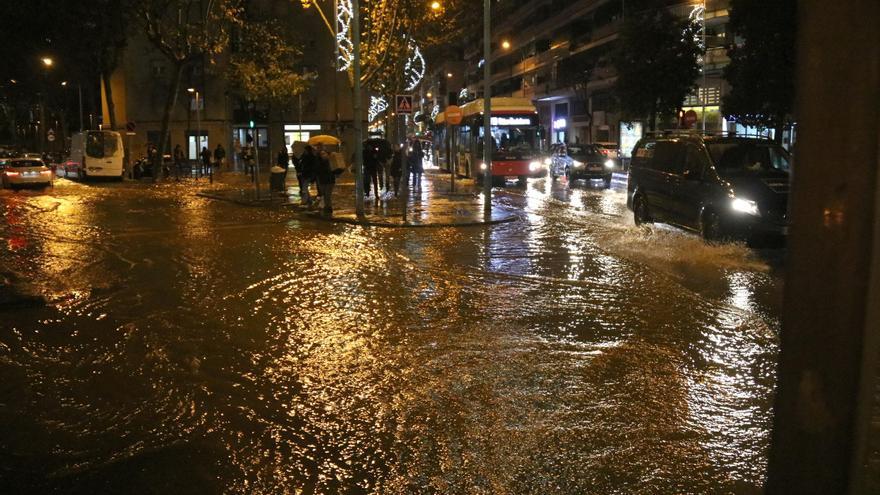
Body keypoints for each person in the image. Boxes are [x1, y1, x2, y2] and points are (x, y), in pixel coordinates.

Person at [314, 145, 343, 215]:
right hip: (322, 180)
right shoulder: (318, 161)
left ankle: (329, 208)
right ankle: (326, 207)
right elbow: (316, 170)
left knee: (328, 195)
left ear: (327, 154)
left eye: (324, 153)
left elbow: (337, 170)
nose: (323, 155)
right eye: (322, 154)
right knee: (324, 194)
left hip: (330, 180)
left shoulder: (331, 161)